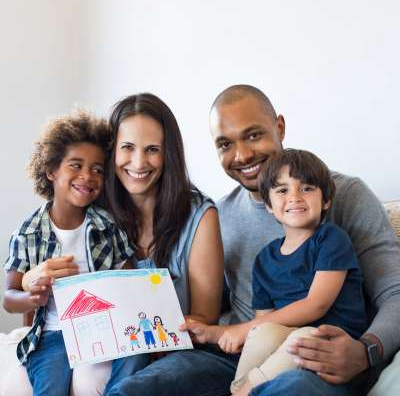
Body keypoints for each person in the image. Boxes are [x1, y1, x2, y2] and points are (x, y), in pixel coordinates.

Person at [182, 84, 400, 396]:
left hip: (325, 359)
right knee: (158, 381)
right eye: (225, 144)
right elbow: (216, 307)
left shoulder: (345, 197)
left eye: (254, 135)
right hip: (246, 353)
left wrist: (365, 351)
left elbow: (395, 293)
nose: (242, 155)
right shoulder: (219, 216)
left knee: (293, 386)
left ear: (279, 127)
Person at [8, 93, 224, 396]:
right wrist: (31, 279)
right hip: (90, 338)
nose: (138, 162)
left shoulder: (200, 215)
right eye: (127, 148)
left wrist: (149, 336)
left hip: (166, 347)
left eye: (152, 150)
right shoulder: (92, 209)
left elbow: (204, 318)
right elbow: (36, 288)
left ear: (168, 155)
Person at [2, 111, 134, 396]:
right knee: (50, 386)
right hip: (51, 334)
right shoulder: (27, 233)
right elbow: (9, 298)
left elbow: (130, 273)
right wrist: (32, 297)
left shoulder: (107, 226)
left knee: (124, 370)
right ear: (51, 171)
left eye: (98, 169)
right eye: (76, 165)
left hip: (101, 329)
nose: (87, 176)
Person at [228, 148, 368, 395]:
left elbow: (316, 305)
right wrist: (253, 329)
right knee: (263, 333)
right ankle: (238, 389)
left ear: (326, 200)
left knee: (303, 336)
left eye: (306, 188)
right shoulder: (264, 259)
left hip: (332, 348)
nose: (294, 197)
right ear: (269, 205)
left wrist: (243, 327)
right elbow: (265, 321)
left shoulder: (331, 239)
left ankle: (249, 389)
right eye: (282, 190)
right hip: (286, 349)